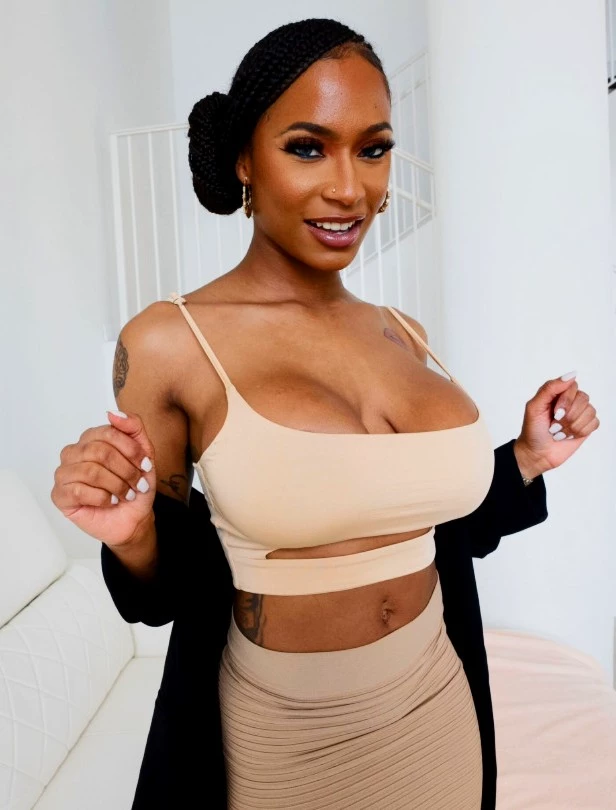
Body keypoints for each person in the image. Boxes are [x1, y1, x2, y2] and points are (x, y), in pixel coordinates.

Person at [50, 18, 600, 810]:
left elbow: (428, 523)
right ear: (244, 158)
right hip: (288, 740)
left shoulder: (403, 331)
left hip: (440, 702)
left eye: (373, 149)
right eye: (308, 147)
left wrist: (529, 456)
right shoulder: (171, 341)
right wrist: (133, 534)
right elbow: (168, 592)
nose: (349, 188)